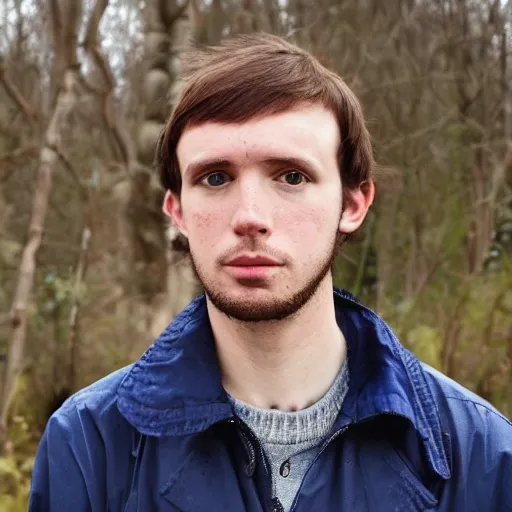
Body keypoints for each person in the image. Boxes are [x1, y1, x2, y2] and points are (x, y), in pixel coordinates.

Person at [29, 33, 511, 512]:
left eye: (291, 176)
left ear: (353, 203)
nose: (249, 216)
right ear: (177, 211)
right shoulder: (90, 444)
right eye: (215, 178)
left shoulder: (480, 454)